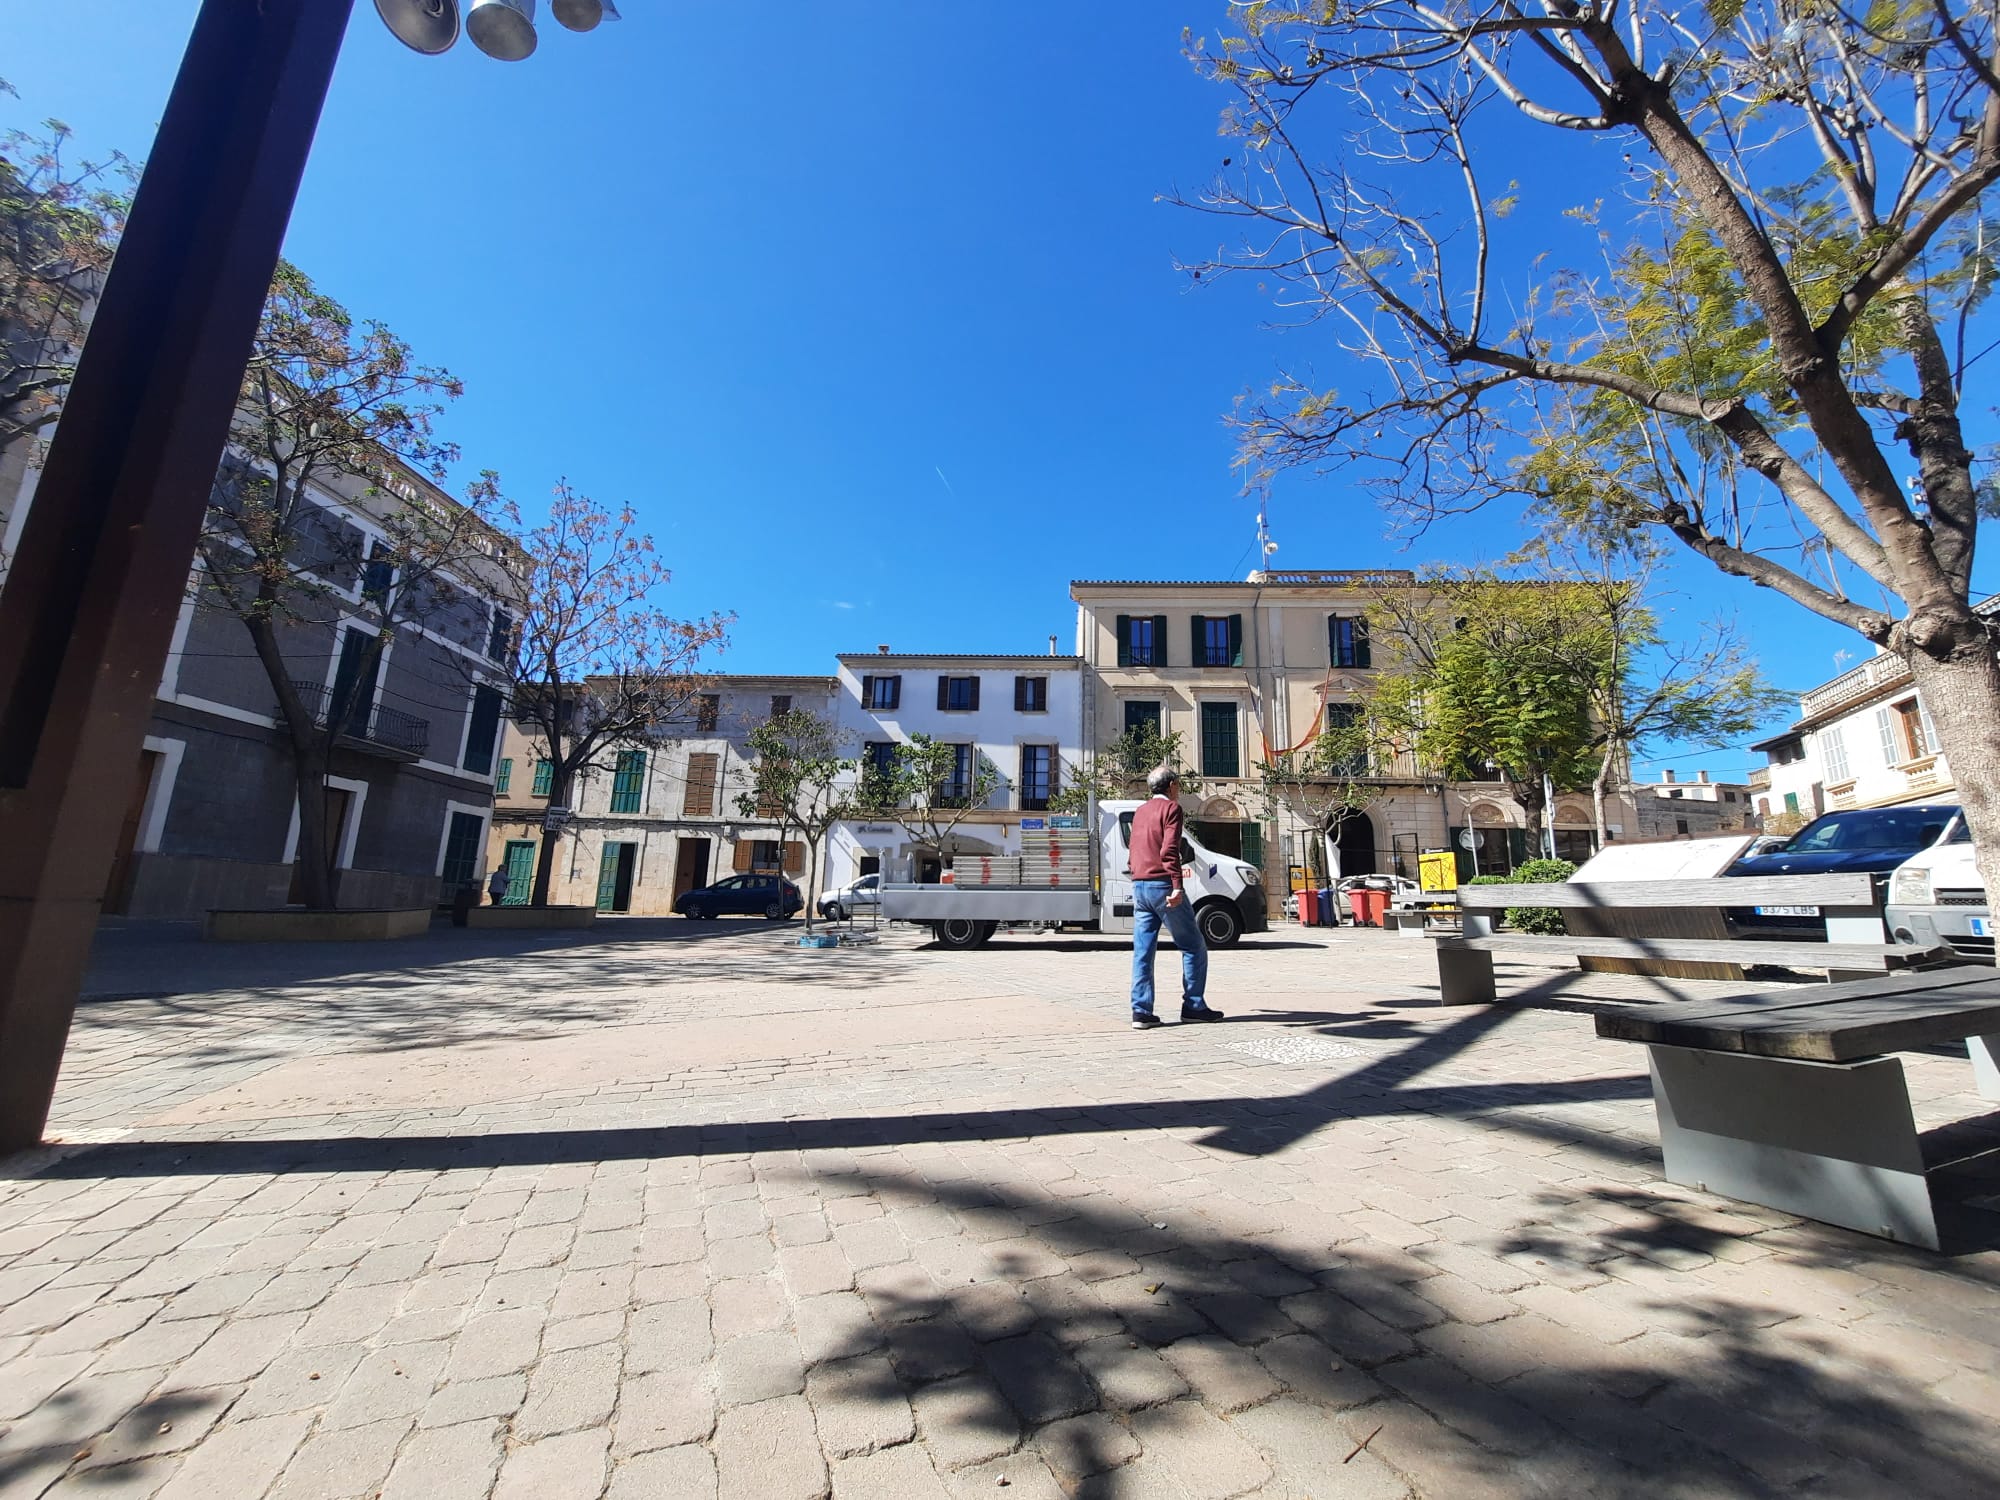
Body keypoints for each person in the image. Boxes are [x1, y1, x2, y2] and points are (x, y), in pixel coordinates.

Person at [1127, 765, 1223, 1030]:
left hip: (1140, 885)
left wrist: (1136, 872)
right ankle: (1194, 1005)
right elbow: (1170, 848)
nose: (1178, 790)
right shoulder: (1171, 809)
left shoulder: (1140, 811)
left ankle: (1141, 1011)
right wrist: (1176, 885)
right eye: (1178, 785)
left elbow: (1134, 847)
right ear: (1171, 786)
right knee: (1193, 946)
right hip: (1162, 885)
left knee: (1143, 951)